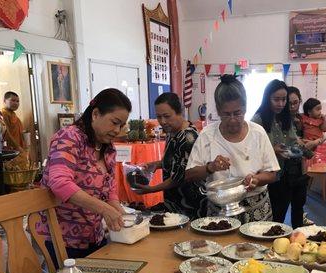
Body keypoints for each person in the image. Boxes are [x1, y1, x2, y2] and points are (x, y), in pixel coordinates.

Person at [37, 88, 131, 261]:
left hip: (94, 237)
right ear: (95, 114)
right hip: (62, 241)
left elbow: (109, 191)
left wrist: (120, 214)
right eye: (114, 122)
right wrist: (104, 209)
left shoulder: (108, 148)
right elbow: (59, 182)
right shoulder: (69, 138)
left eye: (121, 125)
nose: (118, 130)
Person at [185, 75, 279, 222]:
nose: (233, 119)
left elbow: (272, 174)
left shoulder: (257, 133)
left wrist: (256, 179)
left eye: (238, 113)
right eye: (226, 114)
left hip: (256, 208)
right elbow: (189, 175)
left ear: (246, 107)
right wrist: (211, 167)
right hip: (220, 209)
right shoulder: (208, 135)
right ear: (218, 110)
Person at [132, 92, 206, 218]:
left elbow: (179, 178)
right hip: (174, 201)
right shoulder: (172, 132)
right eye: (159, 117)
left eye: (166, 116)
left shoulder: (187, 138)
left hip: (189, 203)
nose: (162, 121)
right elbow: (175, 159)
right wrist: (155, 164)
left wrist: (151, 189)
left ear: (179, 113)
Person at [251, 80, 309, 228]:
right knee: (268, 219)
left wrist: (299, 148)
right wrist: (273, 150)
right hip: (265, 178)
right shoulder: (259, 119)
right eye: (276, 99)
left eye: (284, 99)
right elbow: (251, 149)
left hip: (284, 175)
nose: (281, 104)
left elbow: (292, 141)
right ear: (267, 98)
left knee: (280, 217)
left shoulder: (285, 118)